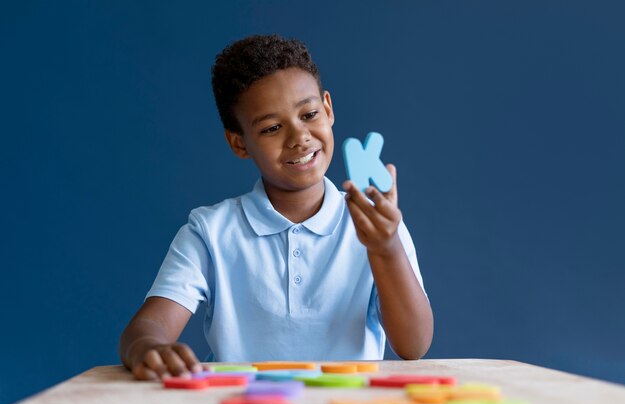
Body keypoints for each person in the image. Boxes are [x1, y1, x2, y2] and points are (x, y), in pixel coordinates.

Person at [119, 34, 433, 380]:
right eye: (272, 128)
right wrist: (150, 347)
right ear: (239, 143)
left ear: (328, 110)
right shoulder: (210, 232)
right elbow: (147, 327)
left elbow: (413, 346)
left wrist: (386, 248)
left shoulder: (379, 225)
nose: (299, 137)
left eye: (309, 114)